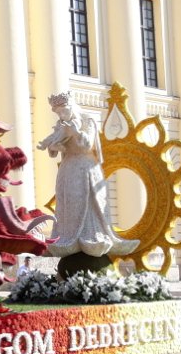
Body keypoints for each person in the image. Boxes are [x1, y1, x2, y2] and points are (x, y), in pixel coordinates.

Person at [37, 92, 138, 259]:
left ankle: (92, 235)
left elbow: (87, 144)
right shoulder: (62, 124)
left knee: (89, 200)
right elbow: (55, 149)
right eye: (58, 112)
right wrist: (52, 145)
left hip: (86, 167)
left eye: (64, 110)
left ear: (71, 106)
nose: (61, 115)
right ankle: (67, 236)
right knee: (69, 202)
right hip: (68, 168)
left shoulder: (86, 120)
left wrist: (75, 132)